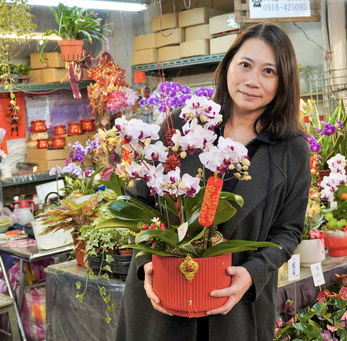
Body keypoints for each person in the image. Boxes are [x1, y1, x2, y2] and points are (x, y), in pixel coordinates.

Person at [115, 23, 311, 341]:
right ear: (228, 65)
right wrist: (146, 262)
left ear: (283, 81)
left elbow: (288, 231)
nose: (252, 81)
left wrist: (253, 273)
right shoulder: (184, 124)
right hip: (163, 305)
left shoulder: (291, 149)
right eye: (245, 65)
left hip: (235, 307)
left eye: (268, 72)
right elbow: (139, 201)